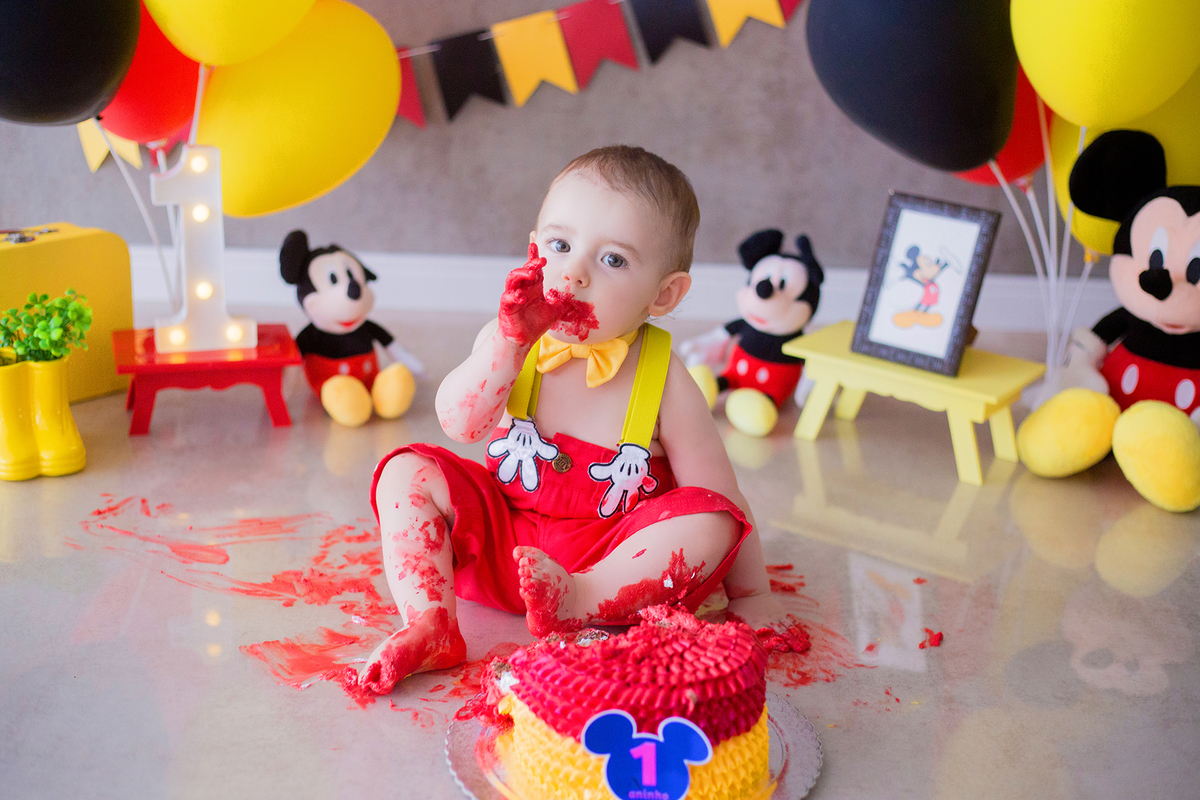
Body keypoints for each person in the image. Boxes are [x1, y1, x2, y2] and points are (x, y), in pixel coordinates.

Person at [347, 146, 784, 697]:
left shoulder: (666, 378)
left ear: (664, 293)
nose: (574, 273)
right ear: (533, 252)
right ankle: (430, 620)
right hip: (501, 547)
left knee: (712, 517)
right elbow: (461, 425)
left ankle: (577, 601)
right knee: (405, 471)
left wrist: (753, 595)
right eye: (560, 246)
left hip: (615, 564)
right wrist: (508, 346)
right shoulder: (509, 338)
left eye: (613, 260)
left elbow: (718, 497)